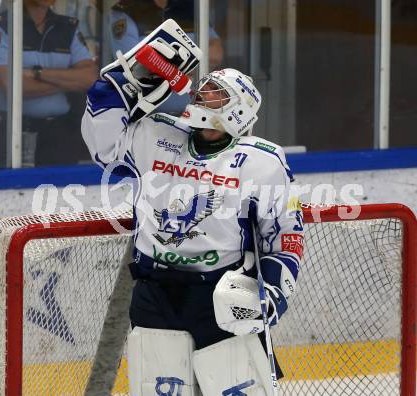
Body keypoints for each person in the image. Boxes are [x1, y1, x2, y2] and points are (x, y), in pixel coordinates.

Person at [82, 36, 303, 394]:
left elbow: (285, 234)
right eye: (202, 91)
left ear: (241, 109)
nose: (202, 97)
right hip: (155, 292)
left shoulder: (262, 161)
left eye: (216, 93)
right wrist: (118, 87)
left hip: (224, 295)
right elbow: (104, 147)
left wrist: (275, 289)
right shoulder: (157, 134)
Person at [0, 0, 97, 168]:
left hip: (57, 135)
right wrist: (69, 81)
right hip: (9, 135)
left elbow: (90, 78)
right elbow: (14, 87)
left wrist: (37, 74)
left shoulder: (67, 28)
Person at [108, 0, 223, 115]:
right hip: (149, 117)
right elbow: (135, 68)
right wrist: (189, 65)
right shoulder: (126, 11)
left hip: (198, 113)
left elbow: (216, 53)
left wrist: (168, 68)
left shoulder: (192, 6)